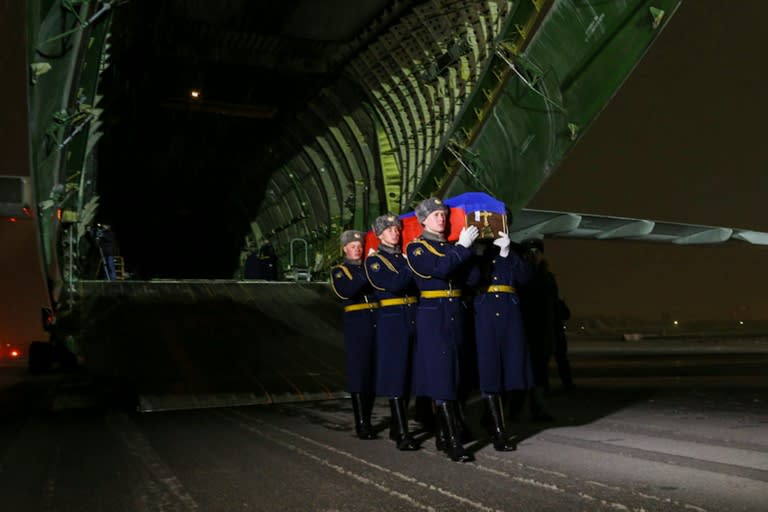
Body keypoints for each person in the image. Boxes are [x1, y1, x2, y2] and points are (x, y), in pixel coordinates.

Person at [406, 197, 479, 462]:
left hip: (455, 311)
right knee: (441, 374)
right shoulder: (416, 249)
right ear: (423, 220)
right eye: (435, 214)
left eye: (443, 214)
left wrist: (469, 252)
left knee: (457, 372)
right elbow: (439, 269)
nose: (441, 218)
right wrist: (461, 248)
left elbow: (470, 279)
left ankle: (444, 433)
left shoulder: (450, 247)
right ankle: (452, 440)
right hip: (434, 312)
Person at [473, 231, 533, 450]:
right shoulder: (475, 250)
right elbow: (471, 280)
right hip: (485, 313)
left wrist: (507, 252)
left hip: (509, 313)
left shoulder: (513, 250)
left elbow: (525, 277)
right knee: (489, 369)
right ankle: (498, 431)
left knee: (510, 369)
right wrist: (472, 252)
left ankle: (492, 419)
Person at [365, 214, 419, 451]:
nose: (394, 233)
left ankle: (397, 425)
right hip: (393, 319)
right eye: (388, 230)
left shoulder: (402, 257)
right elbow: (396, 284)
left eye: (396, 229)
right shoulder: (375, 262)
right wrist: (411, 264)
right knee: (397, 374)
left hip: (412, 315)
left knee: (409, 374)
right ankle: (402, 433)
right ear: (379, 235)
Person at [330, 230, 378, 439]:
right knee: (359, 373)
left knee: (373, 373)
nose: (356, 249)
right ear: (345, 249)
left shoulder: (369, 266)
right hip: (357, 325)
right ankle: (362, 423)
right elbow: (347, 291)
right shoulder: (340, 271)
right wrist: (368, 268)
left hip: (376, 321)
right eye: (352, 246)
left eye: (359, 245)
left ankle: (368, 418)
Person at [518, 238, 560, 421]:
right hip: (523, 330)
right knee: (520, 372)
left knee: (539, 373)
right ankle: (515, 409)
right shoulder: (520, 275)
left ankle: (537, 408)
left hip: (542, 332)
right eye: (530, 252)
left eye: (537, 251)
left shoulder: (547, 277)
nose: (533, 255)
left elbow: (553, 306)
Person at [554, 297, 574, 390]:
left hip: (550, 335)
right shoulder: (557, 302)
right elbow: (567, 315)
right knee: (562, 361)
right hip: (557, 334)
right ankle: (567, 383)